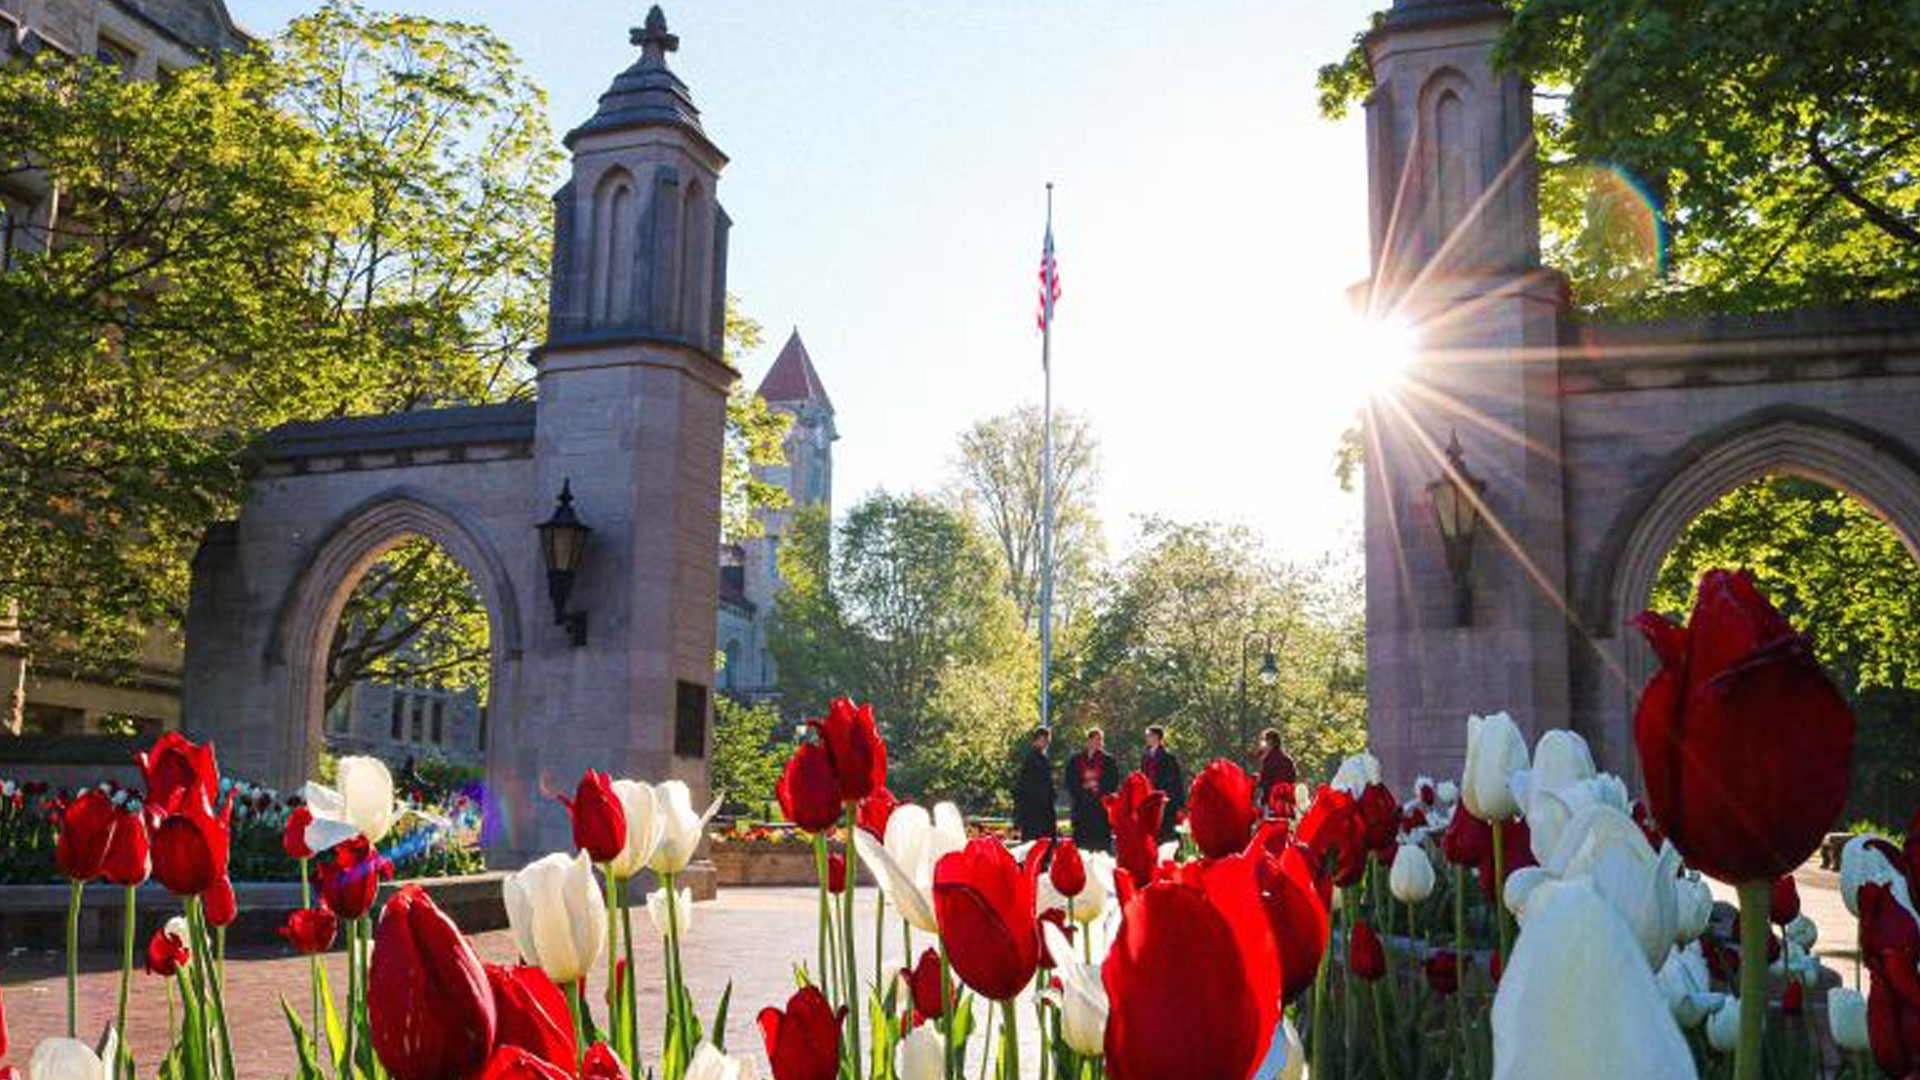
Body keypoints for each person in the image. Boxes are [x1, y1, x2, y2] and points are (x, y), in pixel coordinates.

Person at [1066, 727, 1120, 851]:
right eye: (1096, 740)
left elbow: (1113, 782)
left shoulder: (1108, 760)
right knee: (1082, 844)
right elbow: (1070, 781)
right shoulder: (1076, 760)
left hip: (1100, 807)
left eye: (1100, 740)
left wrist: (1098, 786)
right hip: (1082, 807)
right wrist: (1083, 787)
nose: (1099, 743)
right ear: (1088, 741)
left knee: (1100, 843)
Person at [1139, 725, 1185, 842]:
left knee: (1166, 832)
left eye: (1149, 735)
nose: (1147, 738)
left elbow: (1175, 781)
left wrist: (1174, 800)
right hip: (1149, 799)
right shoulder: (1145, 757)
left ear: (1157, 737)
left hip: (1164, 800)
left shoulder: (1168, 758)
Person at [1012, 726, 1058, 841]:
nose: (1046, 743)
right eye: (1043, 740)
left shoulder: (1041, 758)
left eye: (1047, 741)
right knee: (1035, 844)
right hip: (1034, 811)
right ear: (1036, 740)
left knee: (1041, 843)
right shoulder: (1031, 759)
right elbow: (1024, 787)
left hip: (1042, 810)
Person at [1254, 727, 1298, 813]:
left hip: (1270, 802)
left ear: (1270, 741)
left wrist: (1255, 781)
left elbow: (1265, 781)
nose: (1262, 744)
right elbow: (1292, 779)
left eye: (1264, 741)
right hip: (1286, 803)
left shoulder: (1269, 759)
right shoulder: (1287, 760)